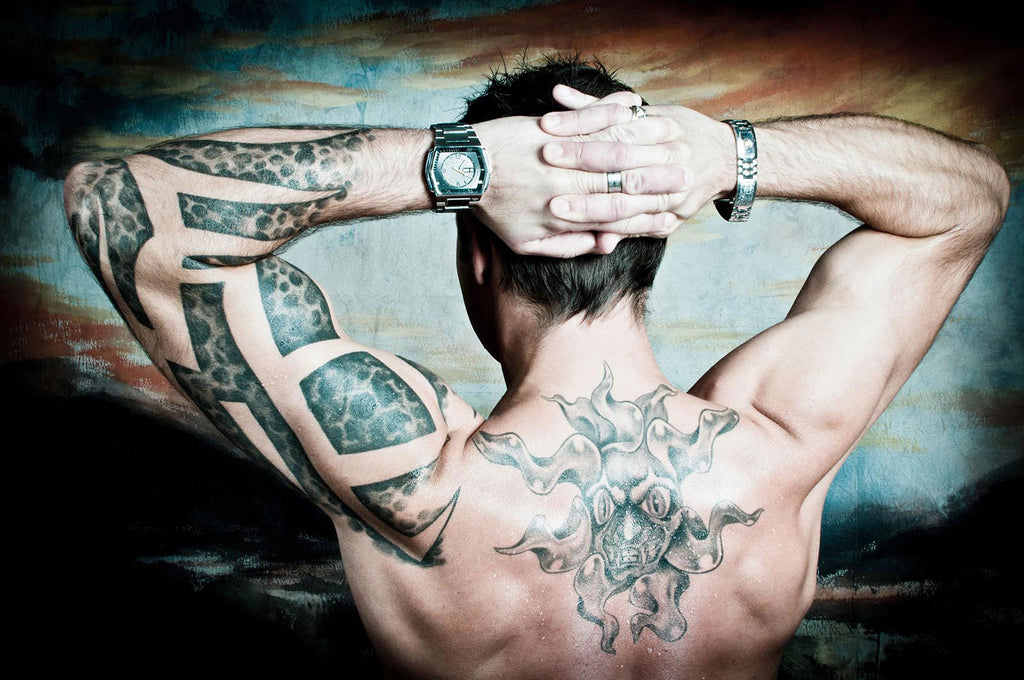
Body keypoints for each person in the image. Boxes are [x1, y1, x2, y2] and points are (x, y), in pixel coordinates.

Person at [63, 55, 1008, 679]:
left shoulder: (417, 482)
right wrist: (729, 154)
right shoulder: (784, 443)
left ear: (476, 259)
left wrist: (455, 168)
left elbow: (113, 204)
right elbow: (969, 198)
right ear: (651, 245)